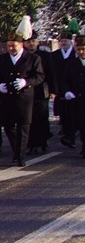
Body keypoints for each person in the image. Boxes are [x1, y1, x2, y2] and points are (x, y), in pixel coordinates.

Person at [0, 19, 45, 166]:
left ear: (21, 44)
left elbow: (40, 76)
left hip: (24, 98)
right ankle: (17, 151)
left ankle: (20, 156)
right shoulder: (2, 59)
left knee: (23, 127)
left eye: (13, 45)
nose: (10, 48)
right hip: (7, 98)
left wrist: (26, 82)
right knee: (8, 125)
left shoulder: (33, 58)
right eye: (8, 46)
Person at [25, 33, 54, 154]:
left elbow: (51, 73)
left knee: (41, 117)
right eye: (29, 41)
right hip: (26, 90)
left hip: (42, 90)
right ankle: (30, 143)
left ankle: (42, 142)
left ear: (37, 42)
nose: (31, 44)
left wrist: (53, 90)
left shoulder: (45, 56)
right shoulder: (23, 56)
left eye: (33, 41)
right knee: (28, 118)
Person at [53, 21, 79, 149]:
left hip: (75, 87)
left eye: (66, 41)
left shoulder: (75, 54)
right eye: (62, 41)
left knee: (74, 112)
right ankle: (66, 128)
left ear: (71, 42)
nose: (64, 43)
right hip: (60, 86)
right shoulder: (55, 55)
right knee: (63, 109)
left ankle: (71, 133)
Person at [62, 34, 85, 156]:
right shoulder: (70, 63)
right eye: (78, 49)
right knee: (81, 124)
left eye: (83, 49)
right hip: (77, 99)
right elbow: (64, 80)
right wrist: (67, 91)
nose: (81, 52)